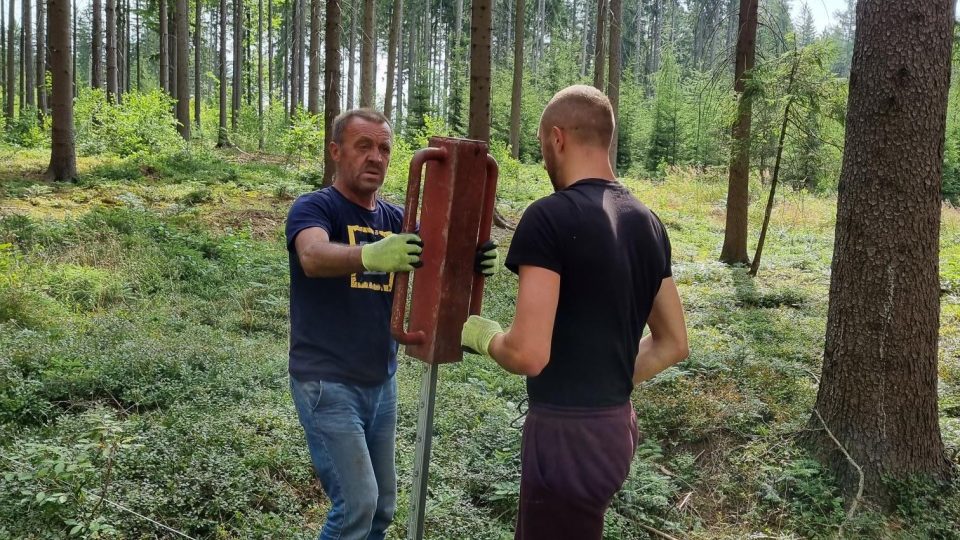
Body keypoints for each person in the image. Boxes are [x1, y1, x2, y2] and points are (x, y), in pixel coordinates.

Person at [461, 85, 689, 540]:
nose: (546, 157)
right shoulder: (647, 222)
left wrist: (484, 336)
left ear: (558, 138)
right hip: (615, 429)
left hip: (566, 438)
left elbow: (528, 354)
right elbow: (674, 343)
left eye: (544, 145)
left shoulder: (549, 218)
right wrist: (608, 380)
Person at [285, 108, 498, 540]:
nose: (376, 157)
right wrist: (368, 255)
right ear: (336, 152)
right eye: (363, 146)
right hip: (327, 381)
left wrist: (473, 259)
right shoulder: (315, 207)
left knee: (382, 507)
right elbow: (311, 255)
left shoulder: (397, 220)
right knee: (356, 505)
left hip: (381, 382)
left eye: (384, 148)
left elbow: (439, 255)